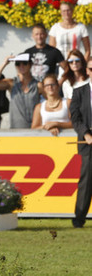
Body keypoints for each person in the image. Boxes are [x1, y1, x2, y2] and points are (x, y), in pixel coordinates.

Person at [0, 54, 41, 129]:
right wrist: (4, 63)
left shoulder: (38, 85)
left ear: (30, 64)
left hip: (34, 128)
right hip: (16, 128)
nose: (21, 66)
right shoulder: (12, 83)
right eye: (18, 64)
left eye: (24, 63)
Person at [69, 61, 92, 227]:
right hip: (87, 141)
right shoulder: (78, 92)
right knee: (86, 180)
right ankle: (79, 219)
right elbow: (75, 118)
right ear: (87, 70)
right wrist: (86, 133)